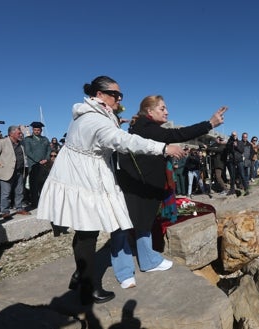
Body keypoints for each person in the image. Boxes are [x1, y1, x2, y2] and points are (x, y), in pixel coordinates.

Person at [36, 77, 185, 305]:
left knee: (86, 230)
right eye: (115, 94)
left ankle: (80, 275)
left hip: (83, 173)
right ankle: (88, 287)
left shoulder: (92, 115)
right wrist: (163, 148)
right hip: (84, 177)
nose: (119, 99)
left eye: (120, 95)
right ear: (99, 94)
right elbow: (123, 141)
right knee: (88, 231)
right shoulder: (95, 119)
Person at [113, 95, 226, 289]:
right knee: (123, 226)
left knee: (144, 222)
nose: (167, 112)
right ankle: (124, 272)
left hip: (144, 184)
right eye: (162, 108)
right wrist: (209, 123)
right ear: (150, 111)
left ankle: (148, 261)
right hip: (134, 185)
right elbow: (177, 135)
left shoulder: (145, 126)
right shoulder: (145, 127)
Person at [0, 126, 31, 219]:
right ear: (11, 133)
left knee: (19, 192)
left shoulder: (21, 144)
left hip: (19, 171)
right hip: (6, 172)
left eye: (21, 133)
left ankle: (19, 208)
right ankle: (5, 211)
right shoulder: (1, 142)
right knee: (6, 193)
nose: (21, 135)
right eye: (19, 133)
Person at [23, 121, 51, 208]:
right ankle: (34, 203)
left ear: (41, 130)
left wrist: (46, 159)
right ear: (32, 130)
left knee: (43, 184)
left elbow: (49, 150)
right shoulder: (28, 139)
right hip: (34, 165)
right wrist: (38, 160)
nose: (36, 131)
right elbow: (28, 152)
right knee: (34, 185)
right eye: (35, 130)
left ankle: (44, 202)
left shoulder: (45, 139)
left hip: (44, 165)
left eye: (38, 130)